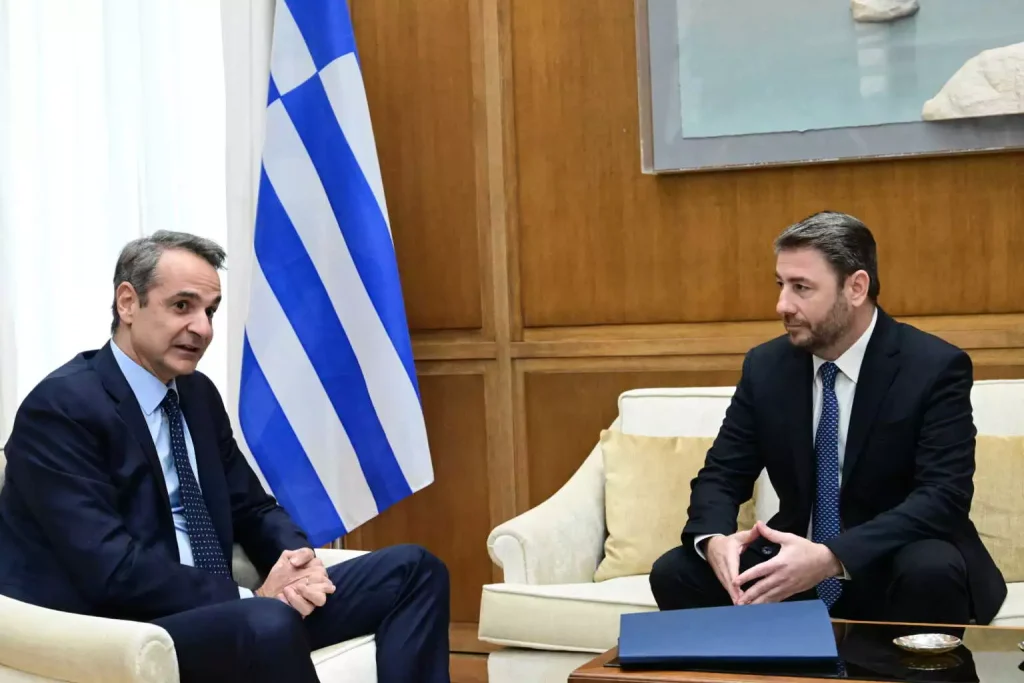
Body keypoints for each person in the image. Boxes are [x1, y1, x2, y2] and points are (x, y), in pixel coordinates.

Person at [0, 232, 450, 683]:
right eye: (183, 306)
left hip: (226, 611)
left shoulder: (196, 395)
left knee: (414, 570)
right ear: (128, 303)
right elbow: (112, 569)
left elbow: (252, 507)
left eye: (210, 311)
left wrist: (298, 562)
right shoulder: (62, 409)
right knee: (268, 622)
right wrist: (247, 599)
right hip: (122, 630)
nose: (203, 329)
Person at [649, 211, 1006, 626]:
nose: (782, 305)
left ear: (856, 287)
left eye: (801, 288)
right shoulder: (767, 367)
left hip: (892, 557)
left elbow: (943, 497)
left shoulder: (933, 366)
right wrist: (714, 541)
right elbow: (722, 474)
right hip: (794, 562)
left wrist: (832, 556)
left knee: (931, 569)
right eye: (781, 285)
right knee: (676, 572)